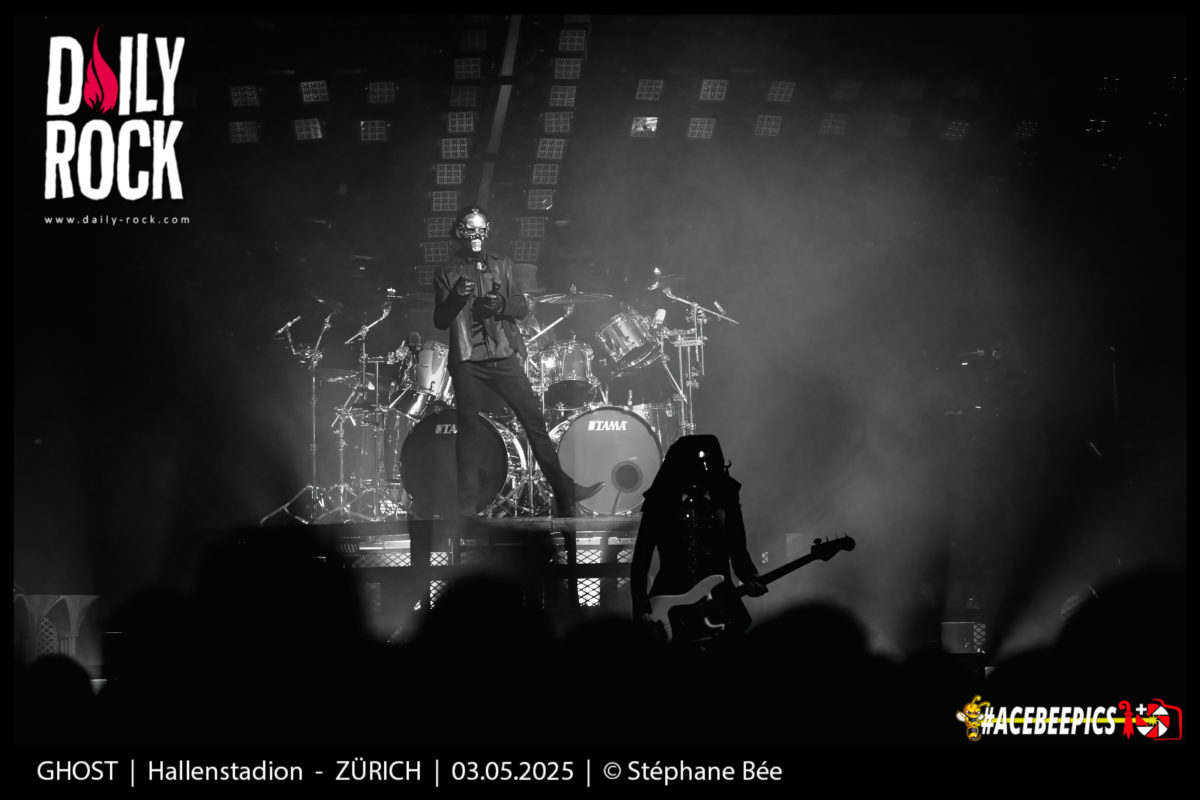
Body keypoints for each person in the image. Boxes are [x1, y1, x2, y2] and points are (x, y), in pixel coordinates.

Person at [433, 206, 602, 517]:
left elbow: (522, 308)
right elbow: (441, 320)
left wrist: (501, 304)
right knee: (468, 428)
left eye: (481, 230)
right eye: (470, 230)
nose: (476, 236)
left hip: (502, 352)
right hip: (468, 358)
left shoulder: (502, 263)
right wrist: (456, 296)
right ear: (460, 232)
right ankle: (467, 507)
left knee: (534, 421)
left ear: (488, 231)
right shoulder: (447, 271)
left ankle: (565, 491)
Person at [631, 435, 767, 643]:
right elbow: (641, 558)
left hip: (719, 600)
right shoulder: (661, 500)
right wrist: (641, 609)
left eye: (709, 463)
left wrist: (750, 576)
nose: (704, 469)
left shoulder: (725, 496)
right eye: (698, 464)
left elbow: (738, 547)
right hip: (671, 602)